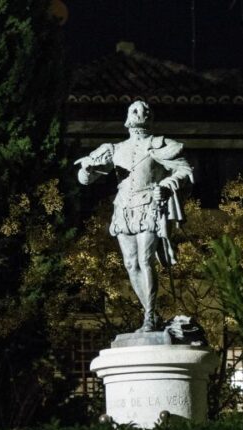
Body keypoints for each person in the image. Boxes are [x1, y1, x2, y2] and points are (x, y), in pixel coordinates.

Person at [76, 100, 193, 332]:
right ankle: (151, 313)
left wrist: (167, 185)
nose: (139, 113)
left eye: (144, 110)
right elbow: (86, 179)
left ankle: (149, 317)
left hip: (149, 206)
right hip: (123, 209)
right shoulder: (114, 149)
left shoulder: (161, 144)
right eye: (134, 110)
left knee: (145, 259)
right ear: (128, 116)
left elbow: (185, 171)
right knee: (130, 264)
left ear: (150, 117)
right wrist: (86, 170)